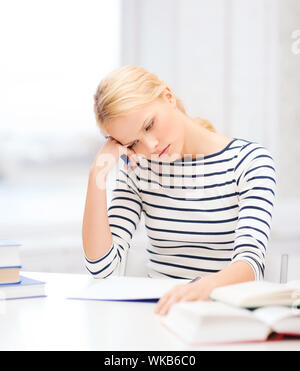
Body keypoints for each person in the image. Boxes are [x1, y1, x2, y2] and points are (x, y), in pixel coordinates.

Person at [82, 65, 277, 315]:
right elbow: (101, 267)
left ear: (168, 96)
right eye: (133, 143)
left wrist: (199, 289)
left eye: (149, 125)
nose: (150, 145)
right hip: (161, 317)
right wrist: (97, 173)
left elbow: (250, 263)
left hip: (226, 317)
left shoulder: (250, 162)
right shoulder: (140, 172)